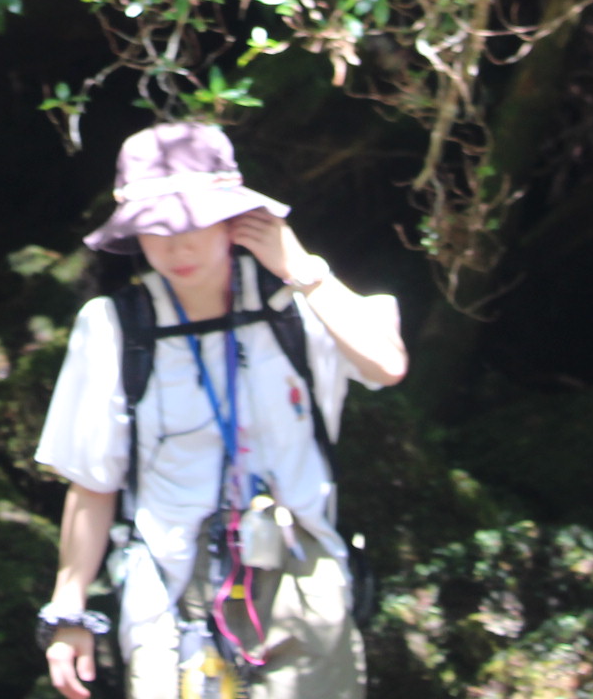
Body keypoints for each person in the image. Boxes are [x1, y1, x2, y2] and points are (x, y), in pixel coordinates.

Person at [33, 123, 407, 699]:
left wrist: (302, 268)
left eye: (193, 222)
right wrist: (68, 607)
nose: (176, 247)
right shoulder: (114, 328)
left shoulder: (297, 306)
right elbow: (92, 482)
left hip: (301, 574)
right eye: (156, 228)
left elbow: (387, 366)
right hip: (168, 592)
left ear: (234, 218)